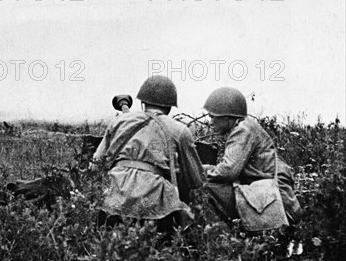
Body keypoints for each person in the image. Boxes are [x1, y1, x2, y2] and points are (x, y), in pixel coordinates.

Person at [92, 75, 205, 233]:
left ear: (143, 102)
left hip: (114, 199)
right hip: (155, 207)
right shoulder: (179, 130)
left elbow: (96, 163)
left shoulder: (119, 122)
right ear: (170, 106)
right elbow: (195, 180)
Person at [202, 87, 302, 227]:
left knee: (206, 186)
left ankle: (223, 232)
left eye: (213, 117)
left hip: (273, 197)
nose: (211, 122)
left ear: (227, 117)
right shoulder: (246, 126)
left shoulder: (242, 130)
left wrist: (202, 170)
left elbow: (228, 171)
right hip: (266, 191)